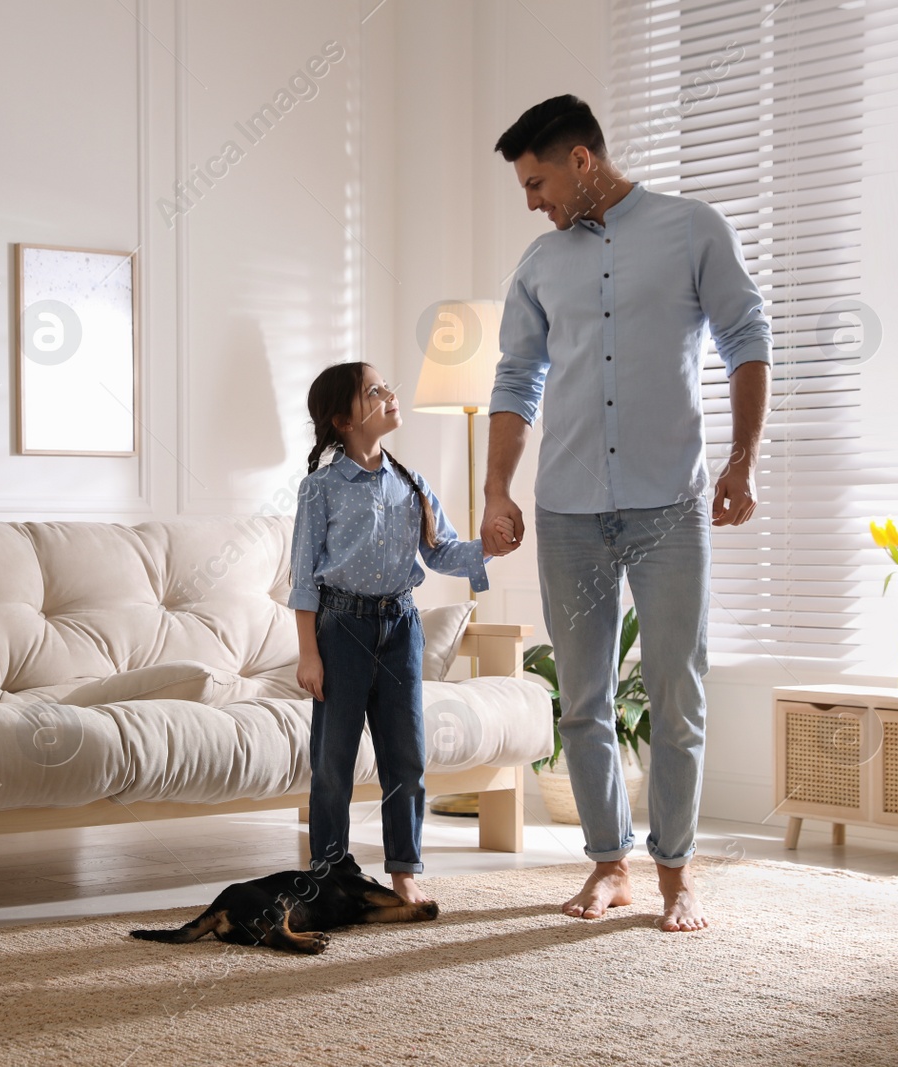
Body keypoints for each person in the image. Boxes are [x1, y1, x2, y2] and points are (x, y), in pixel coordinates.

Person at [480, 94, 771, 932]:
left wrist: (744, 459)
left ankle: (677, 872)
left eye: (536, 182)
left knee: (677, 694)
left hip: (669, 506)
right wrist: (498, 487)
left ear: (580, 161)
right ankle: (609, 864)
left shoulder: (692, 228)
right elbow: (514, 381)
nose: (531, 202)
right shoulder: (540, 263)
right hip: (567, 508)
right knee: (582, 700)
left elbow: (746, 338)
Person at [290, 361, 510, 905]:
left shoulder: (411, 484)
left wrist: (489, 547)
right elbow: (302, 578)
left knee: (405, 755)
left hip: (401, 629)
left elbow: (441, 552)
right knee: (333, 759)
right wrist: (309, 654)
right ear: (343, 419)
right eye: (375, 390)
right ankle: (329, 872)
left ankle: (404, 869)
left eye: (387, 385)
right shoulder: (320, 489)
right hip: (341, 629)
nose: (391, 394)